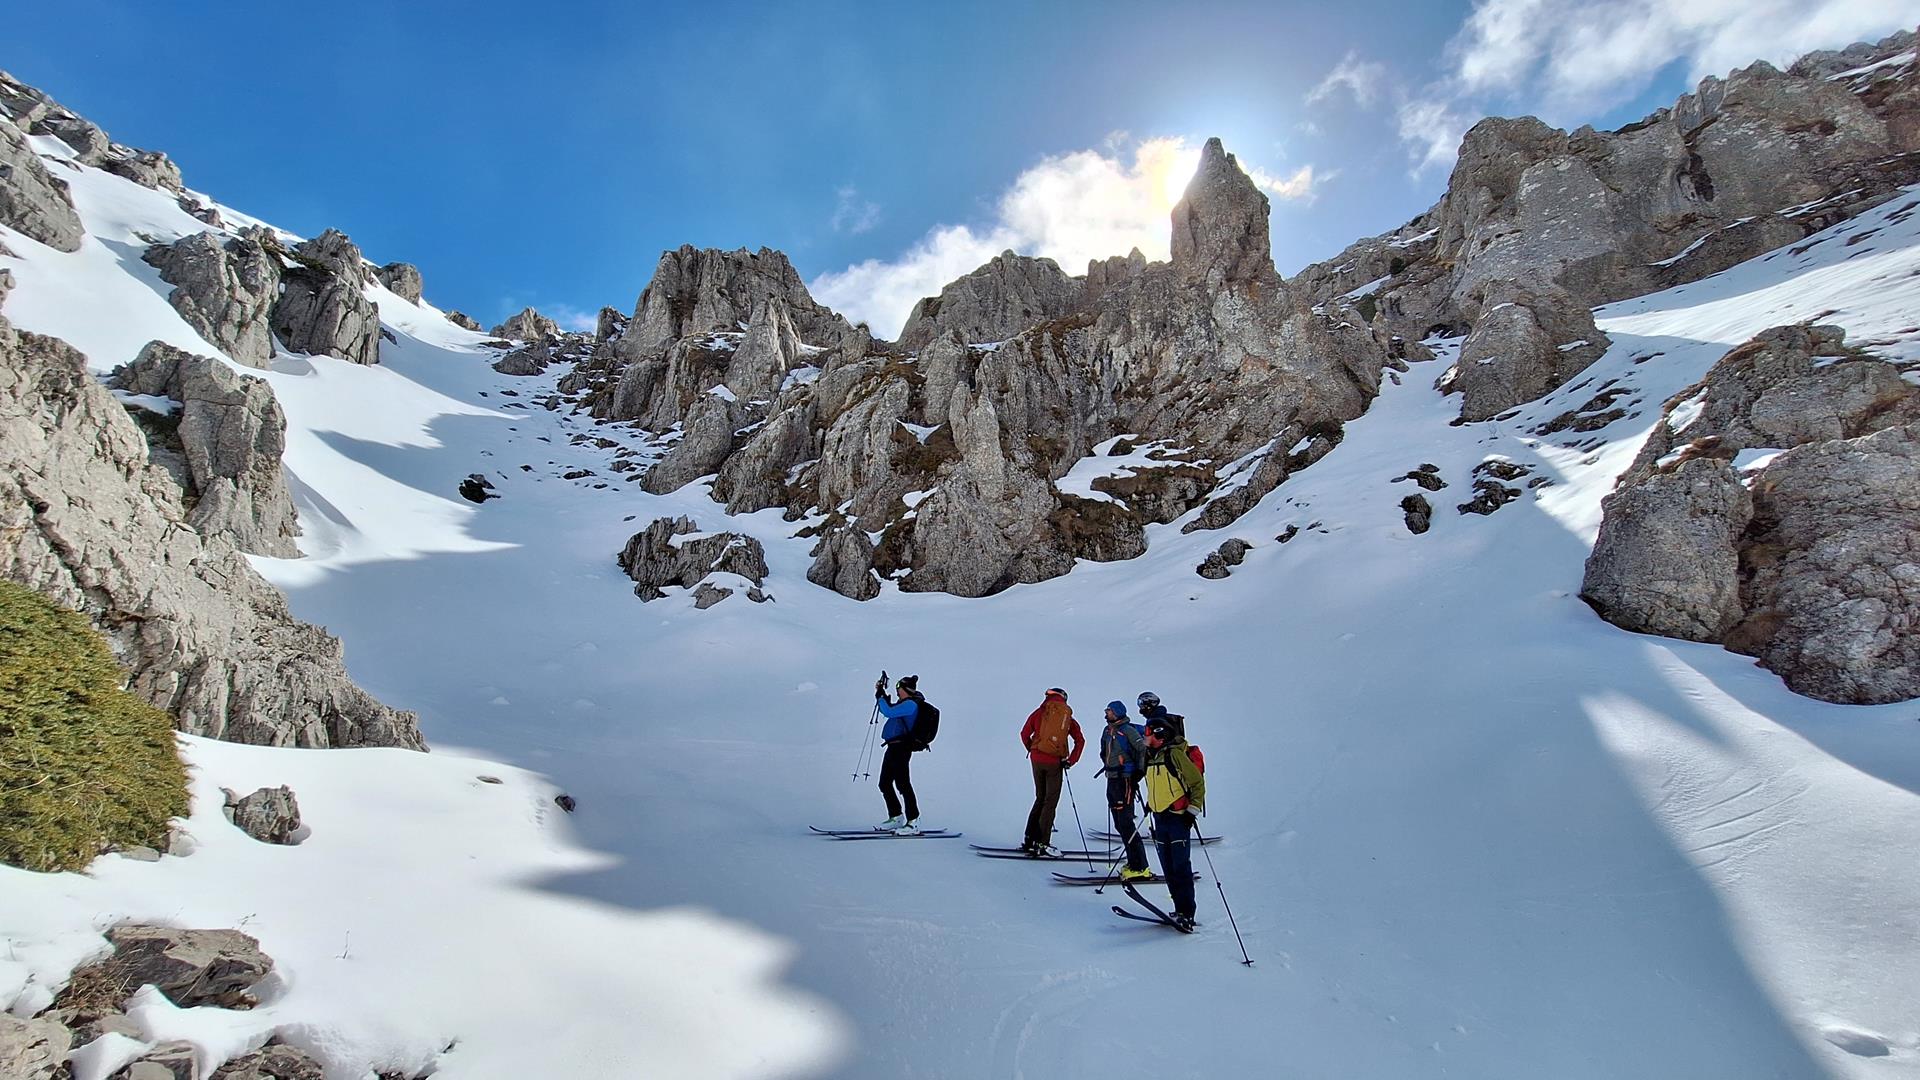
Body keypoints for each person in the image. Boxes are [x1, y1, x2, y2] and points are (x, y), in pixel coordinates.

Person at [1142, 715, 1206, 932]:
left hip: (1178, 818)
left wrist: (1192, 811)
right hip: (1159, 818)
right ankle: (1179, 909)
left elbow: (1197, 783)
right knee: (1168, 867)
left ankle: (1187, 913)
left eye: (1148, 732)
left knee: (1180, 867)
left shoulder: (1175, 755)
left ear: (1159, 735)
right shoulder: (1151, 756)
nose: (1145, 736)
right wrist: (1151, 803)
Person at [1019, 687, 1085, 856]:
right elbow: (1080, 740)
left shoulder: (1038, 713)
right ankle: (1042, 843)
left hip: (1036, 759)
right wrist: (1071, 760)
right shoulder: (1066, 716)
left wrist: (1033, 749)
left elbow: (1024, 733)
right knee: (1050, 802)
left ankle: (1029, 839)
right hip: (1054, 762)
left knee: (1040, 798)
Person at [1097, 700, 1153, 882]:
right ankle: (1133, 862)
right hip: (1112, 779)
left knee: (1126, 823)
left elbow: (1143, 750)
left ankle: (1140, 866)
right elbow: (1103, 750)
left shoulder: (1127, 730)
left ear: (1117, 712)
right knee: (1119, 824)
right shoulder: (1107, 730)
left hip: (1125, 780)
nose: (1106, 713)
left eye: (1109, 710)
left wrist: (1138, 772)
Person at [874, 674, 926, 834]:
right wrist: (882, 696)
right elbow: (890, 710)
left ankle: (913, 820)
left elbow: (888, 712)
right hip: (893, 747)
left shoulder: (910, 704)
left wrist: (880, 697)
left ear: (905, 689)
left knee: (903, 784)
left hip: (902, 748)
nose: (897, 692)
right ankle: (896, 816)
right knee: (884, 783)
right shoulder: (904, 704)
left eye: (899, 688)